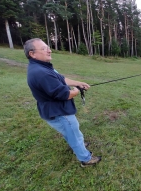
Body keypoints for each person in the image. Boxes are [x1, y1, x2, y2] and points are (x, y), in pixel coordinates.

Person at [23, 38, 101, 167]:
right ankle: (85, 159)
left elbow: (61, 79)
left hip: (55, 110)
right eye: (44, 49)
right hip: (59, 112)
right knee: (74, 134)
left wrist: (77, 83)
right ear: (32, 54)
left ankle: (77, 145)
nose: (49, 50)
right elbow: (66, 95)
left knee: (70, 133)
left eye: (48, 47)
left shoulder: (41, 67)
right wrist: (77, 90)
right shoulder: (41, 73)